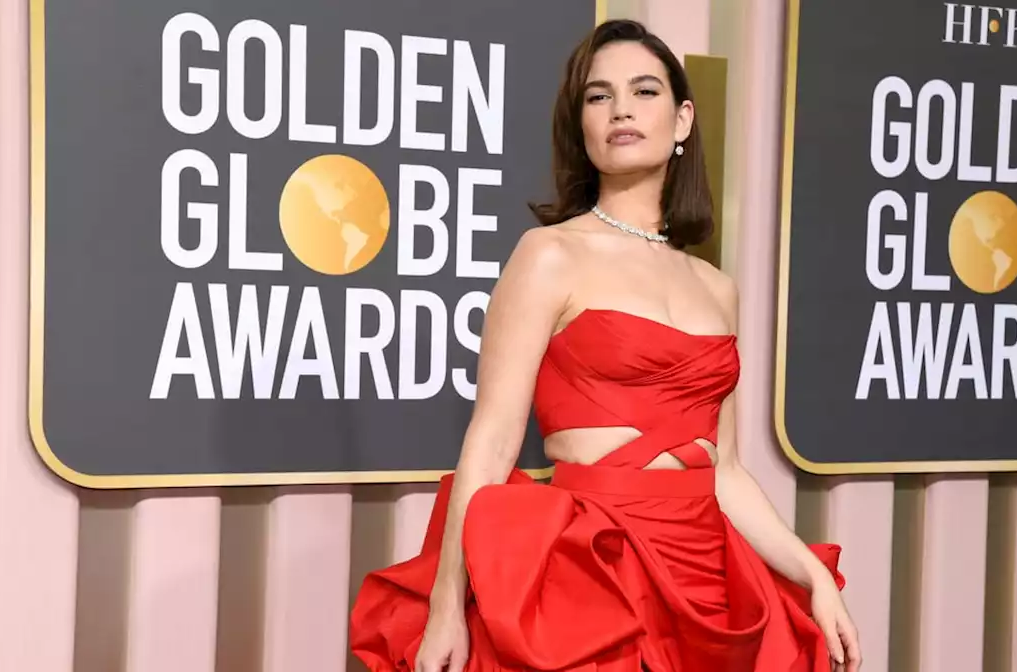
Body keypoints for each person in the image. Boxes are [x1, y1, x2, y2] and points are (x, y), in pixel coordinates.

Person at [349, 19, 861, 672]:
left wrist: (812, 577)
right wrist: (449, 603)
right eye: (598, 96)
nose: (620, 108)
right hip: (595, 567)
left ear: (681, 121)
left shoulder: (717, 288)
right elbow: (492, 439)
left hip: (708, 573)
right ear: (582, 127)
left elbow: (725, 470)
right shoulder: (549, 256)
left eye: (643, 91)